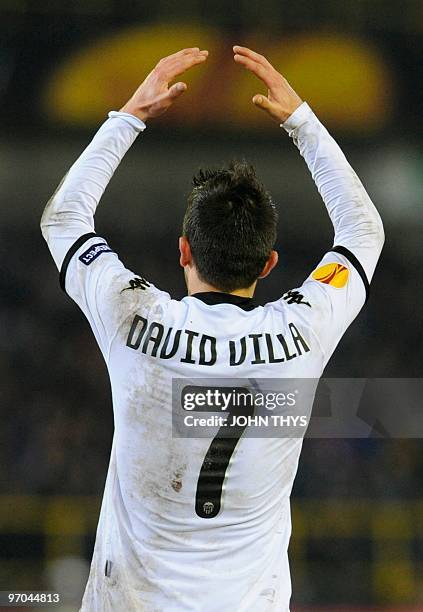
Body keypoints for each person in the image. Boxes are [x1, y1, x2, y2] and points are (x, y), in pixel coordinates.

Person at [41, 45, 384, 611]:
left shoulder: (133, 317)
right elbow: (362, 232)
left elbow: (64, 219)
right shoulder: (304, 328)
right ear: (269, 264)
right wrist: (303, 122)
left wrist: (129, 116)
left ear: (182, 251)